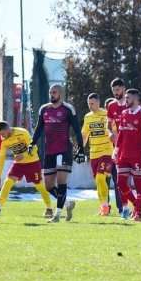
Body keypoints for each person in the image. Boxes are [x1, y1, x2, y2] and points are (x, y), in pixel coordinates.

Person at [30, 84, 84, 223]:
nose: (51, 94)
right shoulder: (44, 109)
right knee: (48, 185)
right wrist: (32, 143)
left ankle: (58, 214)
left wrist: (81, 148)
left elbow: (77, 130)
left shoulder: (68, 109)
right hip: (49, 151)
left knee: (61, 182)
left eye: (54, 92)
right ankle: (67, 204)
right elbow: (38, 128)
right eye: (50, 92)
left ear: (60, 94)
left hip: (64, 150)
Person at [0, 121, 53, 215]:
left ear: (8, 129)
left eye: (3, 134)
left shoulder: (22, 132)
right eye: (0, 135)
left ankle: (49, 208)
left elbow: (34, 148)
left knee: (39, 186)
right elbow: (1, 157)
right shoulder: (3, 141)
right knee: (8, 182)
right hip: (18, 164)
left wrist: (23, 155)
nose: (2, 136)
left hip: (32, 162)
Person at [113, 88, 141, 221]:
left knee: (139, 184)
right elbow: (121, 134)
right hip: (124, 155)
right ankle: (136, 205)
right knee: (121, 183)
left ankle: (138, 214)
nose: (125, 100)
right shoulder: (124, 113)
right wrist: (116, 150)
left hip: (138, 156)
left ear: (135, 99)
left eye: (128, 98)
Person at [81, 93, 115, 216]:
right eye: (89, 103)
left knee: (101, 177)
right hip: (93, 153)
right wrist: (80, 148)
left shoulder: (106, 114)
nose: (90, 106)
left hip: (106, 152)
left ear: (98, 102)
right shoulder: (87, 117)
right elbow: (85, 134)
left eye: (92, 103)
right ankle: (103, 206)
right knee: (98, 180)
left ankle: (105, 206)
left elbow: (114, 130)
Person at [105, 77, 127, 214]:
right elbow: (108, 124)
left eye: (118, 90)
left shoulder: (131, 103)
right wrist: (109, 133)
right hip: (118, 147)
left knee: (134, 178)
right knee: (118, 178)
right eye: (114, 90)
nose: (116, 93)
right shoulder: (111, 106)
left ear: (123, 88)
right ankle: (122, 209)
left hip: (133, 146)